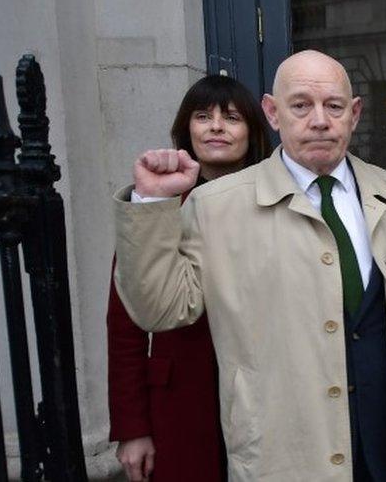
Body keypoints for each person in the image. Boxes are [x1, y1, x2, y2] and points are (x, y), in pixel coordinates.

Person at [111, 51, 386, 481]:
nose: (319, 120)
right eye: (300, 105)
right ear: (272, 112)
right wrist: (152, 202)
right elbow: (160, 309)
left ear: (354, 114)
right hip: (285, 454)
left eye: (334, 106)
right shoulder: (214, 207)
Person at [108, 74, 270, 482]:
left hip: (263, 397)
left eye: (231, 117)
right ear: (186, 128)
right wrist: (132, 429)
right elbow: (124, 325)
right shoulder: (157, 206)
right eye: (203, 115)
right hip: (181, 404)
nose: (216, 126)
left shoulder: (273, 204)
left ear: (252, 132)